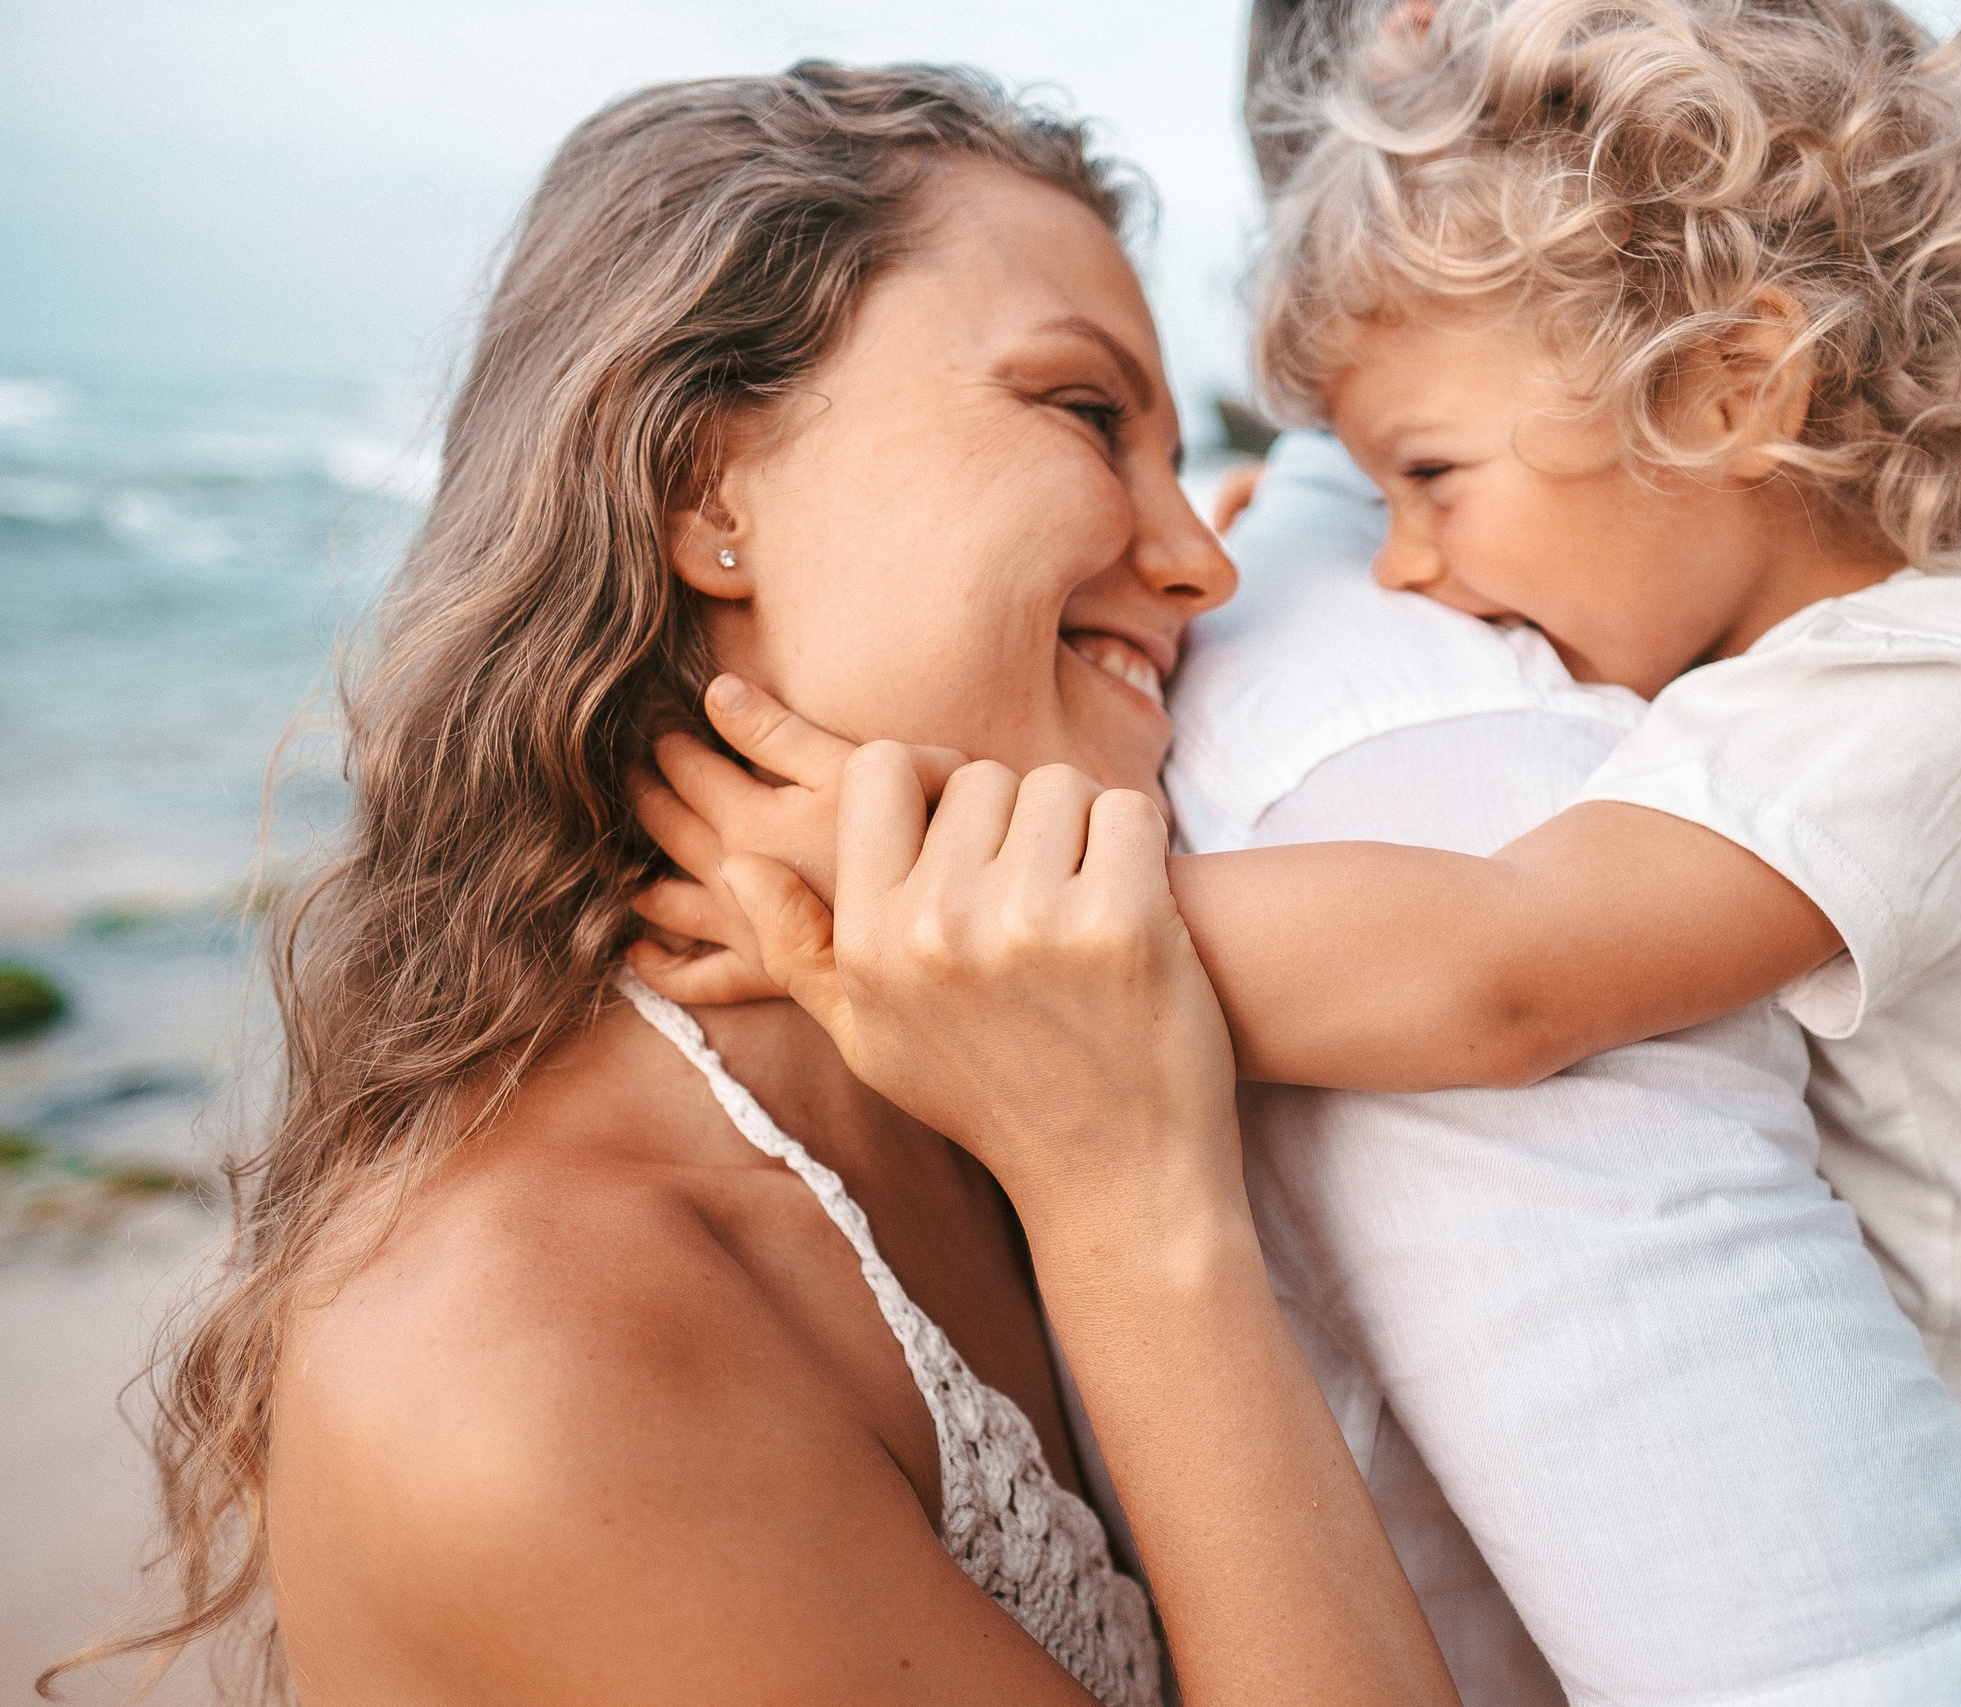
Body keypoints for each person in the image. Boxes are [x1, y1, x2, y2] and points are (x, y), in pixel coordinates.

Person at [631, 4, 1961, 1704]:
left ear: (1734, 385)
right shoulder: (1801, 652)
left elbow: (1500, 972)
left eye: (1430, 477)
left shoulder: (1912, 708)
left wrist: (968, 918)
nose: (1404, 564)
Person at [44, 63, 1468, 1707]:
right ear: (705, 490)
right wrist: (1134, 1209)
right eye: (1086, 415)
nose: (1204, 561)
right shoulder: (530, 1361)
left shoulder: (987, 1035)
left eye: (1176, 451)